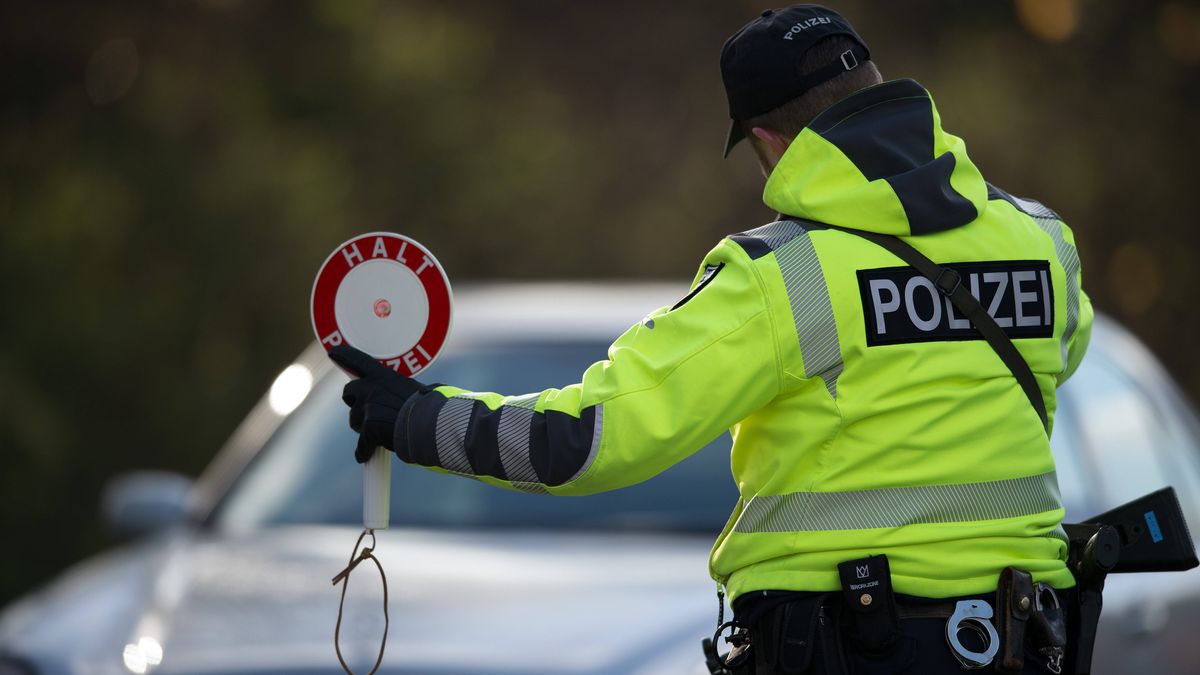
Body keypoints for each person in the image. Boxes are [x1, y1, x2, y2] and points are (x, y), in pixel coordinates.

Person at [330, 4, 1093, 673]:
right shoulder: (1042, 242)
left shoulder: (784, 275)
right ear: (881, 89)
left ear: (766, 140)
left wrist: (421, 420)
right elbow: (1064, 350)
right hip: (1026, 641)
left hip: (853, 643)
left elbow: (589, 439)